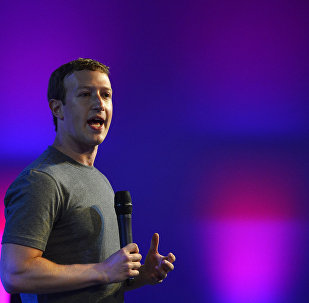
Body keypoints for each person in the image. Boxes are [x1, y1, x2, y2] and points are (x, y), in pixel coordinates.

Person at [0, 58, 175, 303]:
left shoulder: (100, 179)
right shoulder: (41, 180)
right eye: (85, 94)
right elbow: (15, 274)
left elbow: (96, 283)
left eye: (106, 95)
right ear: (57, 108)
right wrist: (104, 270)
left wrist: (140, 275)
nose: (99, 104)